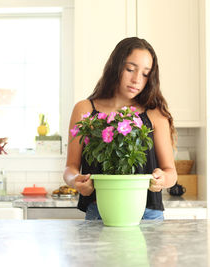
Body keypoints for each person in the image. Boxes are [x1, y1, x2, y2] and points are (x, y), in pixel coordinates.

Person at [63, 37, 177, 220]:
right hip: (99, 212)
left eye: (145, 74)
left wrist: (162, 179)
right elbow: (70, 167)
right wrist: (75, 181)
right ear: (115, 67)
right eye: (130, 69)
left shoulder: (155, 114)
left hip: (147, 214)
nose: (136, 79)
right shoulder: (84, 109)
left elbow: (171, 172)